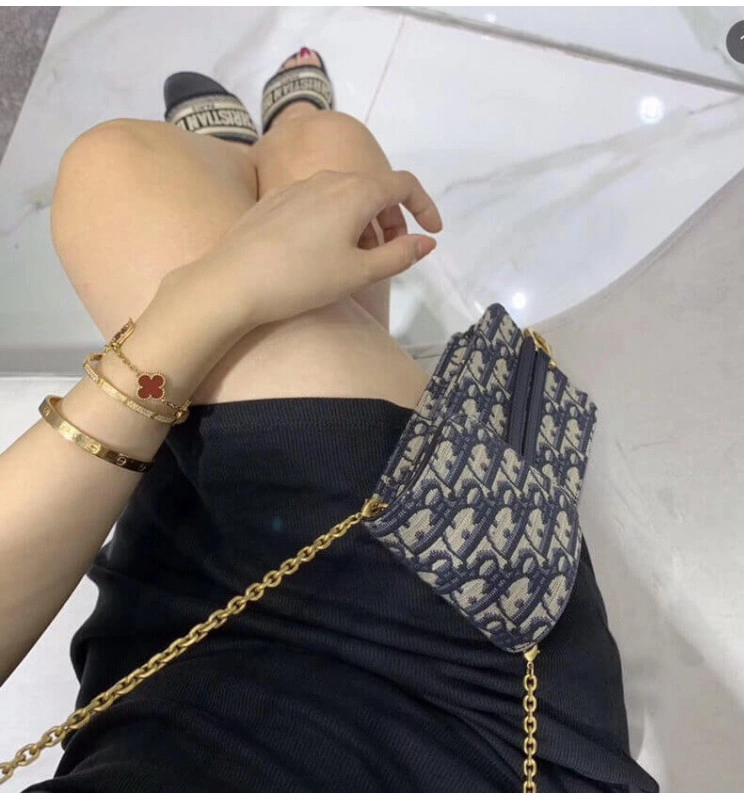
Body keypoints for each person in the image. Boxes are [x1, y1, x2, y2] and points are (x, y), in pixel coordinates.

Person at [0, 49, 657, 792]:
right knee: (180, 160)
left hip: (170, 667)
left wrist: (216, 293)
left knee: (176, 173)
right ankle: (271, 143)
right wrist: (218, 290)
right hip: (465, 682)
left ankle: (239, 171)